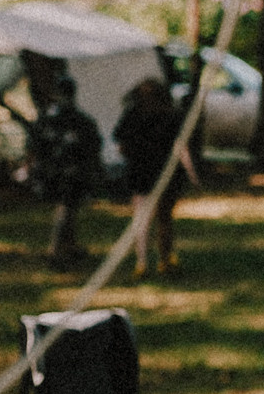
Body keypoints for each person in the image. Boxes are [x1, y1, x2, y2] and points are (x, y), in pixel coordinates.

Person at [113, 77, 198, 277]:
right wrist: (192, 174)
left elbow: (121, 146)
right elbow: (181, 147)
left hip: (142, 172)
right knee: (163, 218)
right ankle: (164, 259)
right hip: (163, 172)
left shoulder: (133, 115)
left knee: (143, 219)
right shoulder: (170, 116)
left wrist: (134, 155)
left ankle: (143, 262)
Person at [28, 72, 104, 266]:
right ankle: (55, 249)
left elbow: (92, 145)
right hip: (63, 172)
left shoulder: (62, 119)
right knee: (66, 209)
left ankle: (69, 245)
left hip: (66, 171)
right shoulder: (62, 120)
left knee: (69, 208)